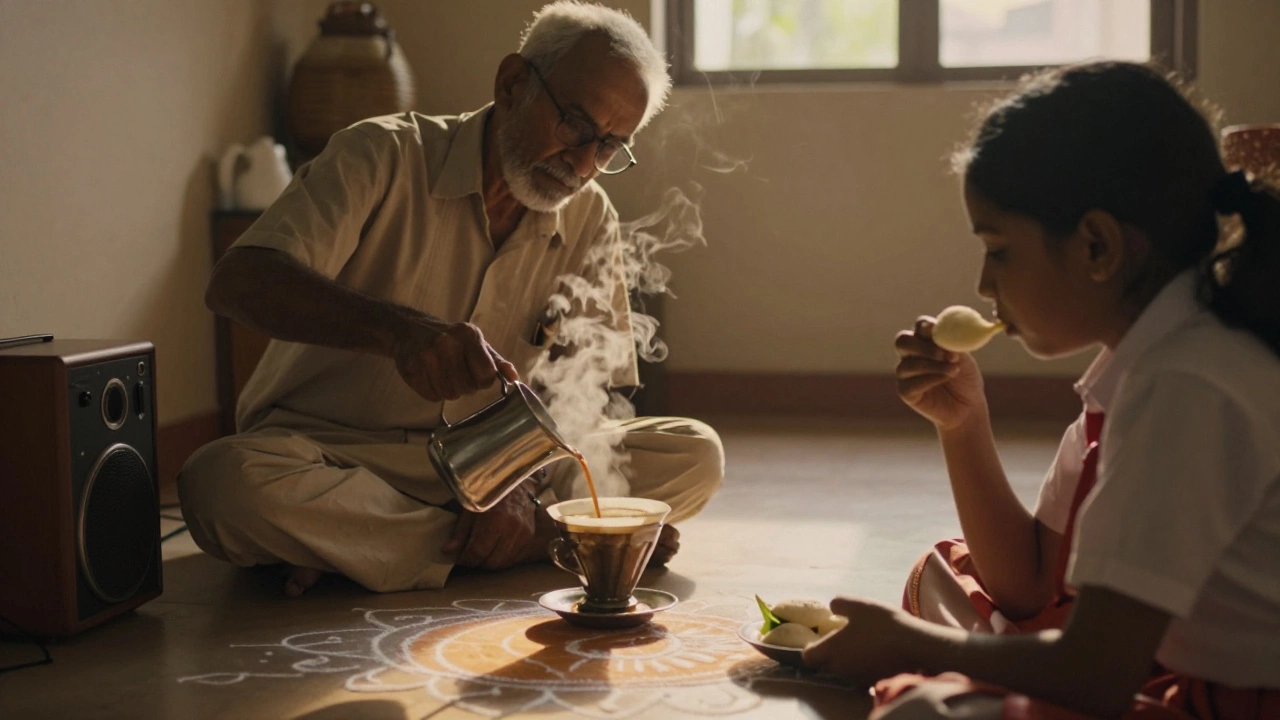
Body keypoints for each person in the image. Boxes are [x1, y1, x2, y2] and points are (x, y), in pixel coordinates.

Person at [178, 2, 724, 597]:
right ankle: (546, 540)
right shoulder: (379, 155)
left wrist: (513, 481)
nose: (584, 164)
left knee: (695, 454)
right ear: (512, 83)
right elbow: (237, 281)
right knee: (221, 487)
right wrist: (400, 332)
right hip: (341, 458)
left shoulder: (591, 216)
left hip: (507, 465)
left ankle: (373, 547)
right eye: (575, 125)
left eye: (611, 148)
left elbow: (585, 391)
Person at [804, 61, 1280, 719]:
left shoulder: (1184, 390)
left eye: (998, 250)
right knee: (946, 574)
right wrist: (961, 422)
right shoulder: (1168, 358)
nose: (982, 285)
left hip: (1231, 702)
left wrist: (912, 646)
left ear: (1096, 246)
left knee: (924, 709)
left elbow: (1094, 671)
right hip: (1163, 669)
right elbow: (1030, 585)